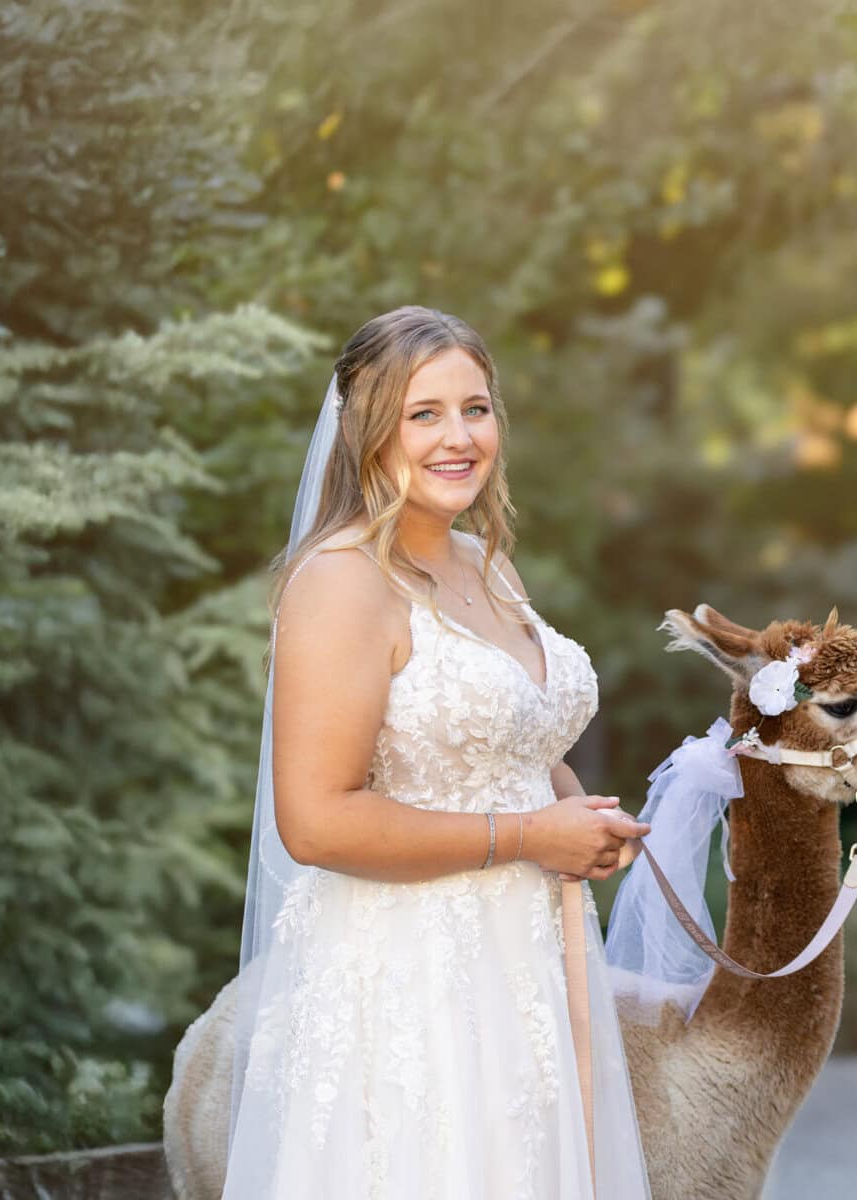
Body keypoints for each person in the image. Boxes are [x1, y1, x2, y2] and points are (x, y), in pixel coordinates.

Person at [223, 306, 654, 1197]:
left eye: (476, 408)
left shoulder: (487, 563)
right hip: (410, 977)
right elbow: (316, 821)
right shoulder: (342, 583)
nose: (459, 438)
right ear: (365, 430)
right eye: (424, 414)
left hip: (527, 959)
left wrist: (586, 815)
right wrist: (535, 835)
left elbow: (518, 746)